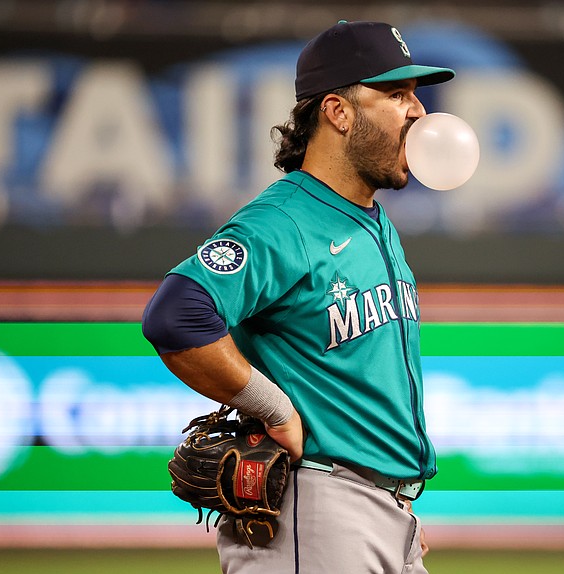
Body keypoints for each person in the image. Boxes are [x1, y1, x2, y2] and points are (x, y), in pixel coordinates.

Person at [142, 19, 454, 574]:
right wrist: (273, 406)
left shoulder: (373, 222)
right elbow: (177, 313)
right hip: (316, 513)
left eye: (417, 94)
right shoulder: (282, 221)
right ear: (338, 111)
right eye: (397, 94)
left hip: (376, 512)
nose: (419, 111)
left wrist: (390, 504)